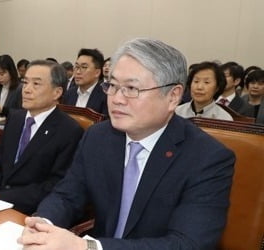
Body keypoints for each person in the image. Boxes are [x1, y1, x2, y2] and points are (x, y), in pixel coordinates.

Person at [18, 38, 235, 250]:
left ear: (173, 96)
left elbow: (187, 243)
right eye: (112, 85)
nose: (117, 99)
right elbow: (67, 195)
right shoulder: (98, 137)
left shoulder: (208, 158)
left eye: (131, 89)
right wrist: (43, 224)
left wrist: (88, 246)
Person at [0, 60, 84, 215]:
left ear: (57, 93)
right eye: (25, 82)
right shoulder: (15, 118)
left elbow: (55, 185)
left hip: (30, 211)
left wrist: (2, 197)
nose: (26, 90)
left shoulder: (69, 131)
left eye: (36, 84)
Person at [62, 48, 108, 116]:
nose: (78, 72)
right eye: (77, 67)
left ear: (97, 72)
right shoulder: (69, 94)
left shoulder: (105, 96)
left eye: (84, 67)